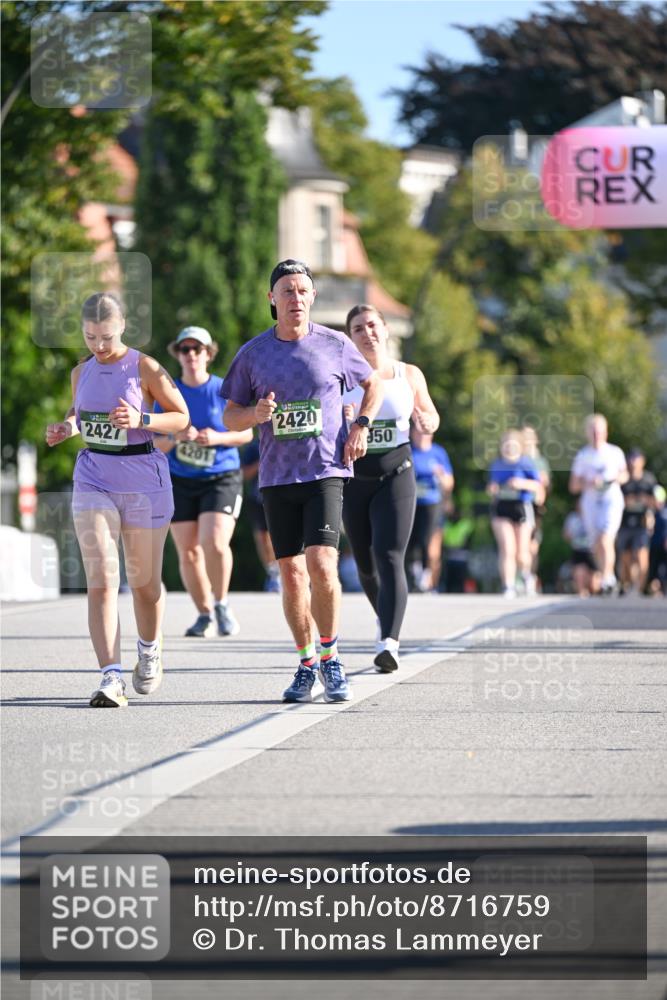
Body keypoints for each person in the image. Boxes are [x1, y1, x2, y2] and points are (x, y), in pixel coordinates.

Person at [221, 260, 382, 703]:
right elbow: (228, 414)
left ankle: (331, 658)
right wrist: (253, 415)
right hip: (277, 477)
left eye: (303, 291)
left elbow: (373, 384)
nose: (296, 298)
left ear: (312, 298)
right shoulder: (253, 354)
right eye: (287, 291)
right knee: (291, 574)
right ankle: (307, 662)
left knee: (323, 565)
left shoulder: (335, 344)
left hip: (325, 470)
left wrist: (362, 425)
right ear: (272, 299)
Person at [45, 292, 189, 707]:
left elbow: (180, 418)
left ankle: (149, 648)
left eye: (106, 337)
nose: (99, 346)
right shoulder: (81, 372)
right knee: (103, 581)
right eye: (91, 337)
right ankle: (110, 676)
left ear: (122, 326)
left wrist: (142, 418)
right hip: (94, 477)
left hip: (144, 479)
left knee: (144, 585)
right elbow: (79, 414)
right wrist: (66, 428)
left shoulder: (145, 366)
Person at [341, 304, 439, 672]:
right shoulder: (342, 378)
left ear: (385, 330)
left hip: (398, 473)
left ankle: (389, 642)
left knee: (390, 554)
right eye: (358, 328)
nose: (367, 333)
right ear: (350, 337)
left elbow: (430, 414)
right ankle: (386, 617)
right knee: (365, 562)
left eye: (371, 325)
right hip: (354, 479)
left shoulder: (407, 374)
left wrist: (427, 419)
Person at [153, 326, 252, 636]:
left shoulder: (224, 390)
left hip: (220, 476)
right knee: (189, 551)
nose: (192, 354)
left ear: (209, 354)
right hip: (179, 478)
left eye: (198, 349)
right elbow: (152, 442)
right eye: (186, 349)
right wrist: (174, 436)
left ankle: (221, 604)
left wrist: (218, 437)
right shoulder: (169, 395)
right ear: (178, 355)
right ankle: (204, 613)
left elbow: (247, 432)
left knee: (215, 543)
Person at [569, 414, 628, 596]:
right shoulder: (583, 456)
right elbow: (573, 486)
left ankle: (607, 577)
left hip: (611, 500)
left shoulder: (615, 452)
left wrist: (609, 479)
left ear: (606, 431)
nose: (597, 434)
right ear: (587, 433)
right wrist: (589, 483)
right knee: (596, 543)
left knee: (606, 538)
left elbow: (624, 476)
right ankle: (606, 576)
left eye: (600, 431)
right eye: (593, 431)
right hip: (591, 502)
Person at [487, 429, 542, 598]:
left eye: (512, 445)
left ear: (520, 447)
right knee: (507, 548)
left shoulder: (526, 463)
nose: (509, 448)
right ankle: (508, 585)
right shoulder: (496, 464)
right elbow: (491, 487)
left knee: (521, 552)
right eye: (506, 445)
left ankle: (526, 576)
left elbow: (538, 486)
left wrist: (521, 483)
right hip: (502, 507)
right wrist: (492, 489)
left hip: (521, 507)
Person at [407, 427, 454, 593]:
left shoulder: (438, 453)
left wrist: (441, 476)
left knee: (428, 541)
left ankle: (429, 579)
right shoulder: (408, 450)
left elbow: (449, 483)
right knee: (411, 541)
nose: (421, 436)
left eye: (424, 433)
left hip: (432, 502)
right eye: (417, 432)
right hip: (411, 503)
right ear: (412, 434)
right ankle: (415, 576)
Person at [240, 436, 281, 593]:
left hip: (283, 495)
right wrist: (262, 461)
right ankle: (273, 573)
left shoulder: (289, 439)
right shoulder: (254, 446)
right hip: (258, 498)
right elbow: (244, 474)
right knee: (263, 538)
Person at [616, 448, 658, 596]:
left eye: (636, 459)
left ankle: (640, 588)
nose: (633, 463)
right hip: (625, 523)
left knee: (641, 555)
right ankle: (627, 584)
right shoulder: (624, 480)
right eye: (631, 459)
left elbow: (657, 500)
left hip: (642, 524)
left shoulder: (648, 479)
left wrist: (648, 508)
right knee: (626, 557)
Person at [522, 425, 551, 583]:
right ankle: (522, 576)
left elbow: (544, 483)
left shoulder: (539, 461)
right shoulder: (517, 458)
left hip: (534, 506)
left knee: (533, 545)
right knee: (521, 545)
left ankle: (531, 576)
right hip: (520, 505)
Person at [563, 502, 600, 597]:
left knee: (594, 584)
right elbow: (566, 534)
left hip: (592, 550)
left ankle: (596, 591)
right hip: (578, 549)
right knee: (579, 572)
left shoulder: (593, 515)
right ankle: (581, 591)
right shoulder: (572, 518)